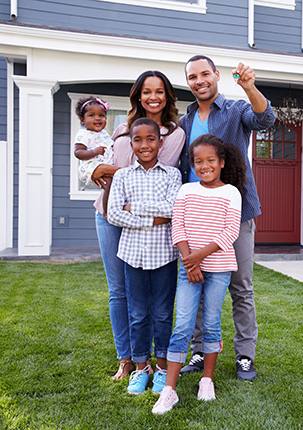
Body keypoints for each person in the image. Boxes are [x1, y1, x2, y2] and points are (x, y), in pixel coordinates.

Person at [178, 55, 275, 380]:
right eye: (193, 76)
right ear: (188, 82)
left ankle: (245, 356)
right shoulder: (186, 120)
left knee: (241, 287)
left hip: (235, 213)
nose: (199, 80)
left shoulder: (234, 110)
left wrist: (249, 87)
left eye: (205, 73)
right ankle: (198, 350)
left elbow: (265, 119)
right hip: (195, 216)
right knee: (196, 282)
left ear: (216, 75)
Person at [90, 71, 186, 381]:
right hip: (108, 213)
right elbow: (116, 170)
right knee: (119, 291)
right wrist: (99, 169)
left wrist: (115, 176)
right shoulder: (120, 129)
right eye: (147, 91)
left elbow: (156, 169)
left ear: (167, 96)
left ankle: (152, 362)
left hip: (150, 227)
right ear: (138, 95)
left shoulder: (175, 134)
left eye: (160, 91)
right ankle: (128, 359)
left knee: (155, 303)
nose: (153, 97)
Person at [152, 134, 245, 414]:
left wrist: (198, 258)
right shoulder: (186, 191)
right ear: (192, 164)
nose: (204, 166)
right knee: (182, 324)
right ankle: (169, 390)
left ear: (221, 162)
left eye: (210, 161)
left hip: (219, 268)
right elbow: (177, 227)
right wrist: (189, 262)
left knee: (212, 322)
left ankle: (207, 379)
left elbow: (230, 232)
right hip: (189, 267)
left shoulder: (231, 193)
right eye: (198, 161)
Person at [107, 118, 182, 395]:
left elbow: (172, 208)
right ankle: (141, 368)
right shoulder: (123, 176)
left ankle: (162, 368)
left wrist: (134, 207)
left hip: (164, 256)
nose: (145, 145)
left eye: (151, 139)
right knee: (137, 314)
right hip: (132, 256)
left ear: (160, 143)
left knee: (162, 314)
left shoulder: (172, 175)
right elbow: (115, 213)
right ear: (131, 144)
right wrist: (153, 220)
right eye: (138, 140)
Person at [73, 96, 114, 214]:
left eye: (101, 115)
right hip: (90, 166)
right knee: (109, 185)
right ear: (82, 119)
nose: (97, 118)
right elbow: (78, 152)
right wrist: (94, 152)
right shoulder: (83, 134)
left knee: (113, 184)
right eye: (91, 115)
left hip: (103, 163)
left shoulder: (104, 133)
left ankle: (114, 207)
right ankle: (106, 211)